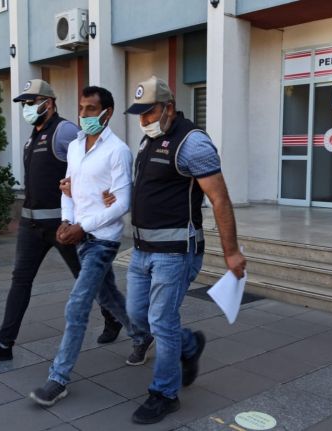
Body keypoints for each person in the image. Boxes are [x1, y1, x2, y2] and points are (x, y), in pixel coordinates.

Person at [0, 79, 122, 361]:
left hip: (63, 226)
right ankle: (4, 343)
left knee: (87, 278)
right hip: (31, 225)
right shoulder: (32, 137)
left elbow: (92, 160)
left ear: (47, 103)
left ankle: (114, 319)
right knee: (20, 280)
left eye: (30, 102)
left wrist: (108, 192)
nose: (26, 108)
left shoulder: (65, 131)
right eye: (24, 103)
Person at [124, 76, 247, 424]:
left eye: (149, 113)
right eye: (139, 114)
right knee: (137, 316)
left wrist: (231, 252)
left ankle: (164, 393)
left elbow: (220, 199)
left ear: (168, 107)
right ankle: (189, 346)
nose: (143, 120)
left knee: (161, 321)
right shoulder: (149, 140)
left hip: (175, 252)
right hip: (141, 250)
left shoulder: (193, 143)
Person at [30, 86, 153, 407]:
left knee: (77, 305)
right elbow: (67, 188)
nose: (83, 114)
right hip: (80, 236)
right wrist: (66, 220)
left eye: (90, 109)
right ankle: (142, 336)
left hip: (103, 239)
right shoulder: (74, 147)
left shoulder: (118, 151)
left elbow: (122, 202)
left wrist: (81, 226)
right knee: (108, 296)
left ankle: (58, 378)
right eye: (81, 108)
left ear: (106, 113)